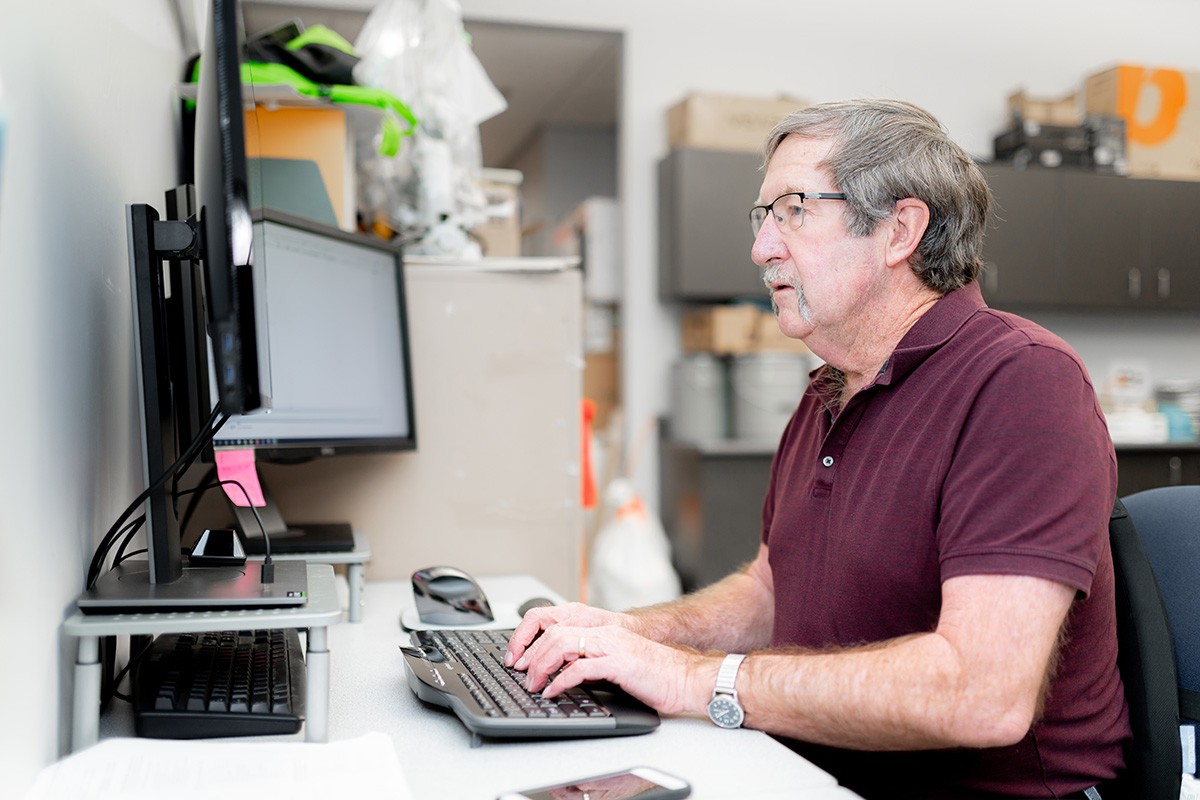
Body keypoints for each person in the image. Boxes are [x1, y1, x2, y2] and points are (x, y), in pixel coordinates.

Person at [504, 99, 1129, 800]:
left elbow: (981, 693)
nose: (762, 246)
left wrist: (691, 679)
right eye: (763, 216)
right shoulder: (828, 391)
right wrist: (626, 634)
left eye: (793, 209)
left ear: (899, 230)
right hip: (808, 771)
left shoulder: (1022, 382)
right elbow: (771, 592)